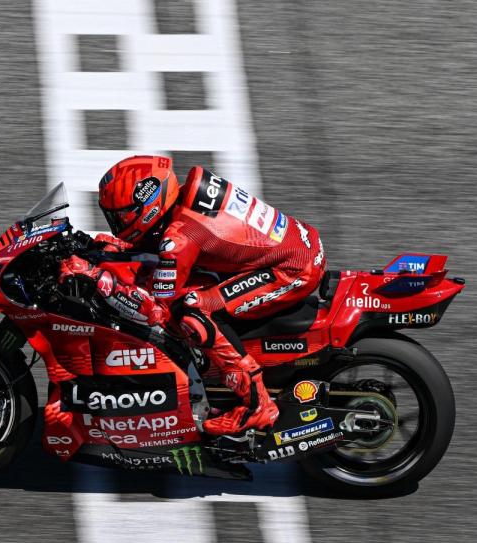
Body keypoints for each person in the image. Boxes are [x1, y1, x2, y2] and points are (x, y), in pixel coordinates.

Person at [59, 155, 325, 436]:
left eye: (122, 215)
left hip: (293, 270)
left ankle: (257, 404)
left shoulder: (181, 237)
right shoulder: (183, 200)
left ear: (148, 207)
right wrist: (104, 248)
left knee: (193, 311)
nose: (118, 223)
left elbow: (157, 310)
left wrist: (100, 279)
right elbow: (156, 245)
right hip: (296, 245)